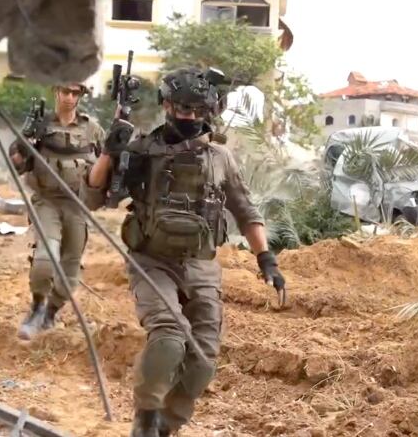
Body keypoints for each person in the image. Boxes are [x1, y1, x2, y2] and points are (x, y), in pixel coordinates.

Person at [85, 68, 286, 436]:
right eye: (181, 107)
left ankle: (167, 424)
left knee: (203, 360)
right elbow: (93, 194)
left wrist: (266, 258)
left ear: (208, 111)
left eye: (197, 109)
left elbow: (245, 210)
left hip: (200, 265)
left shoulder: (220, 157)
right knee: (168, 335)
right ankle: (146, 417)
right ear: (166, 104)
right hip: (151, 260)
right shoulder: (142, 148)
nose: (189, 116)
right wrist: (110, 151)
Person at [9, 82, 105, 341]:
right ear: (56, 92)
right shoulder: (40, 126)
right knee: (44, 260)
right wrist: (25, 141)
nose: (70, 98)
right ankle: (37, 307)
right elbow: (17, 165)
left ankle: (51, 312)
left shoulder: (92, 129)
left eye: (76, 93)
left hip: (77, 205)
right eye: (66, 92)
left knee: (70, 268)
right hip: (47, 202)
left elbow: (107, 162)